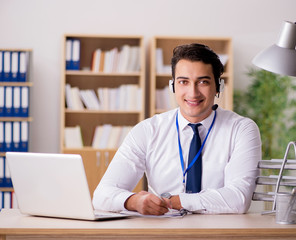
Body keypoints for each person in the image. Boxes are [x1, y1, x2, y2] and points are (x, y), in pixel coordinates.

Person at [92, 43, 261, 215]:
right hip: (164, 232)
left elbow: (239, 199)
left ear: (219, 86)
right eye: (183, 82)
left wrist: (177, 201)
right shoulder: (148, 130)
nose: (193, 93)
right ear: (173, 86)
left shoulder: (242, 129)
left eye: (203, 82)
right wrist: (132, 201)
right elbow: (101, 195)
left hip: (220, 233)